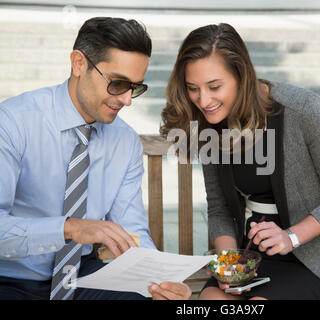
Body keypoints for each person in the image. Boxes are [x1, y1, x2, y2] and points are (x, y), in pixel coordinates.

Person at [160, 23, 320, 300]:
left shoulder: (303, 110)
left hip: (311, 258)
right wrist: (228, 265)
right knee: (210, 300)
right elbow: (219, 208)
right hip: (250, 258)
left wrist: (289, 237)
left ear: (242, 76)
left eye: (215, 86)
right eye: (193, 88)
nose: (203, 100)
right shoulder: (208, 124)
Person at [0, 17, 190, 300]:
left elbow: (131, 229)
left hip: (81, 275)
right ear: (78, 64)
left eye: (135, 88)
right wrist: (71, 228)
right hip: (10, 277)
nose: (127, 100)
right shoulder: (13, 122)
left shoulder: (124, 141)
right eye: (117, 84)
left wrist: (160, 282)